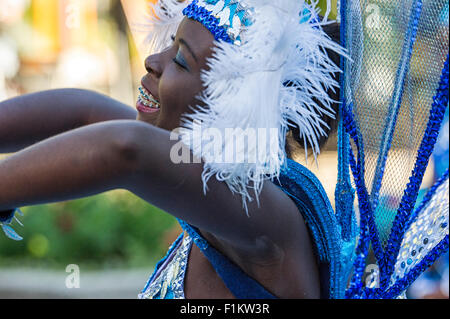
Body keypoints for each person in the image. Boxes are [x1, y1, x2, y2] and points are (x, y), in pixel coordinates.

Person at [0, 0, 347, 299]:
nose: (153, 60)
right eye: (170, 43)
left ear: (236, 104)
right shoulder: (207, 172)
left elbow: (128, 151)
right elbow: (83, 111)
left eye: (181, 59)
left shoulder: (264, 209)